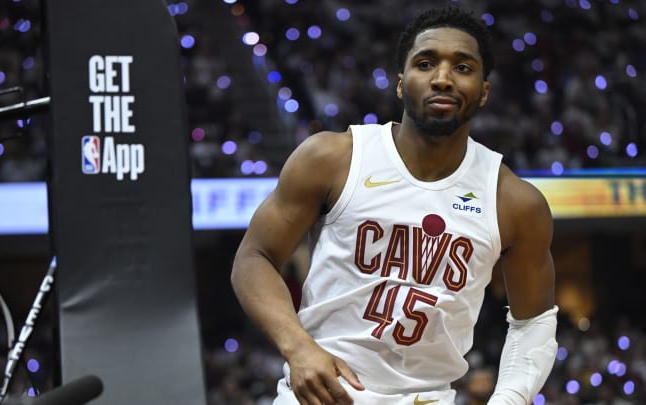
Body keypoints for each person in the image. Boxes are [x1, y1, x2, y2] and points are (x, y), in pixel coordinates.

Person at [231, 6, 558, 405]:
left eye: (463, 67)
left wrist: (508, 398)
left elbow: (534, 321)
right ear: (402, 84)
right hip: (324, 394)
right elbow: (254, 257)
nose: (442, 78)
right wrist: (297, 346)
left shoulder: (514, 202)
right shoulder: (333, 158)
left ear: (484, 91)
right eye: (426, 63)